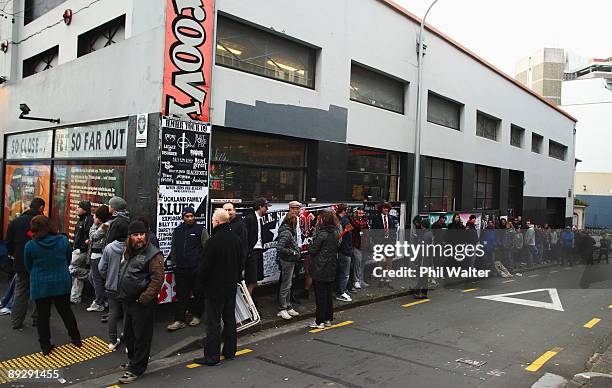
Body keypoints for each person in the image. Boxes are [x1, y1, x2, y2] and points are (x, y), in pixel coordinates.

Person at [24, 215, 81, 356]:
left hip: (40, 283)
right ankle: (76, 338)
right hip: (61, 281)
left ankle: (45, 346)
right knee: (65, 310)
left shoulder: (30, 245)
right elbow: (68, 258)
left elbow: (28, 265)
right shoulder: (63, 240)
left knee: (43, 315)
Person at [116, 221, 164, 384]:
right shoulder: (129, 250)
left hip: (141, 302)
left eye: (142, 234)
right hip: (128, 300)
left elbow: (157, 279)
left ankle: (137, 368)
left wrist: (144, 299)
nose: (139, 237)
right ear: (130, 237)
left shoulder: (153, 254)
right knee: (129, 335)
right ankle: (133, 361)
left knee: (142, 336)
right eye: (136, 235)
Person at [193, 209, 243, 366]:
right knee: (229, 319)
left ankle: (211, 356)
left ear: (218, 222)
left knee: (213, 322)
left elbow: (204, 267)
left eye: (214, 220)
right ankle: (230, 351)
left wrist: (201, 284)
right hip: (230, 286)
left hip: (214, 288)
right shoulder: (236, 239)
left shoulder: (213, 241)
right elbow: (241, 261)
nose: (212, 222)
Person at [167, 207, 209, 331]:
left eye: (192, 216)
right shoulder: (178, 231)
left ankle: (196, 316)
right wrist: (175, 264)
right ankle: (179, 320)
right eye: (187, 216)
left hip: (196, 269)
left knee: (198, 294)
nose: (190, 218)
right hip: (181, 269)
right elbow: (173, 248)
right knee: (181, 295)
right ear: (183, 217)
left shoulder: (201, 230)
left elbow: (207, 248)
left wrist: (202, 266)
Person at [6, 197, 45, 330]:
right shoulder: (42, 223)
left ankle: (16, 321)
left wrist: (14, 254)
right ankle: (37, 319)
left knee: (20, 291)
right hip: (38, 262)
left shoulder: (15, 222)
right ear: (41, 208)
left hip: (20, 262)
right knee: (38, 291)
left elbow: (8, 243)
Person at [98, 220, 128, 350]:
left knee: (113, 312)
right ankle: (128, 338)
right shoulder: (131, 247)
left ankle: (112, 340)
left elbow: (101, 268)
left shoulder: (109, 247)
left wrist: (108, 277)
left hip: (111, 286)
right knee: (128, 312)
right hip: (127, 285)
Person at [308, 210, 339, 329]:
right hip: (331, 266)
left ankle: (319, 321)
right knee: (328, 294)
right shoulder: (336, 232)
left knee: (320, 295)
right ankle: (328, 319)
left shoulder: (322, 234)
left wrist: (311, 244)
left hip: (320, 267)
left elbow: (313, 249)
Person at [275, 213, 301, 320]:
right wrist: (292, 252)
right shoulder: (287, 232)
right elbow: (279, 247)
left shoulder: (287, 231)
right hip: (287, 261)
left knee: (288, 284)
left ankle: (288, 306)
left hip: (289, 261)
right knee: (286, 284)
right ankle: (283, 308)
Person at [86, 205, 112, 312]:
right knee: (92, 277)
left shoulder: (105, 225)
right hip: (97, 254)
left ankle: (99, 302)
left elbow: (94, 236)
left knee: (97, 279)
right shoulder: (106, 224)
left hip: (98, 254)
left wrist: (94, 224)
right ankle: (103, 299)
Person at [244, 198, 270, 296]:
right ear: (260, 207)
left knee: (257, 278)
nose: (267, 209)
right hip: (252, 252)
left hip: (259, 251)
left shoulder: (260, 219)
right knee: (251, 280)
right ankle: (247, 304)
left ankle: (252, 300)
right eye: (266, 207)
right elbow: (245, 237)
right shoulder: (250, 219)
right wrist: (248, 252)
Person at [371, 202, 398, 288]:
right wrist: (377, 242)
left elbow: (394, 232)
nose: (386, 209)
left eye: (387, 208)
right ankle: (381, 279)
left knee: (389, 262)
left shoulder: (392, 218)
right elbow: (373, 232)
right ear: (380, 209)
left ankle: (388, 279)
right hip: (380, 243)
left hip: (390, 243)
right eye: (384, 208)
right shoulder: (376, 218)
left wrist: (393, 242)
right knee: (380, 262)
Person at [223, 202, 249, 271]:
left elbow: (244, 246)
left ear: (234, 210)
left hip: (235, 264)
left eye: (229, 210)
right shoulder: (221, 224)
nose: (227, 212)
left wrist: (241, 265)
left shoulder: (240, 225)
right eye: (225, 210)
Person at [335, 204, 353, 302]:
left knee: (342, 272)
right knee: (345, 273)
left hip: (341, 249)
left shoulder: (337, 219)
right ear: (345, 210)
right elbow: (347, 234)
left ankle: (343, 289)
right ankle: (341, 292)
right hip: (344, 249)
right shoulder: (345, 220)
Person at [351, 207, 369, 289]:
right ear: (356, 213)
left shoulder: (365, 221)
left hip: (364, 245)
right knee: (357, 263)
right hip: (356, 245)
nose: (361, 215)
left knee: (363, 263)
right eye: (359, 213)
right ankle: (356, 281)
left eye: (362, 213)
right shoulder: (353, 221)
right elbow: (358, 225)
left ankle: (361, 280)